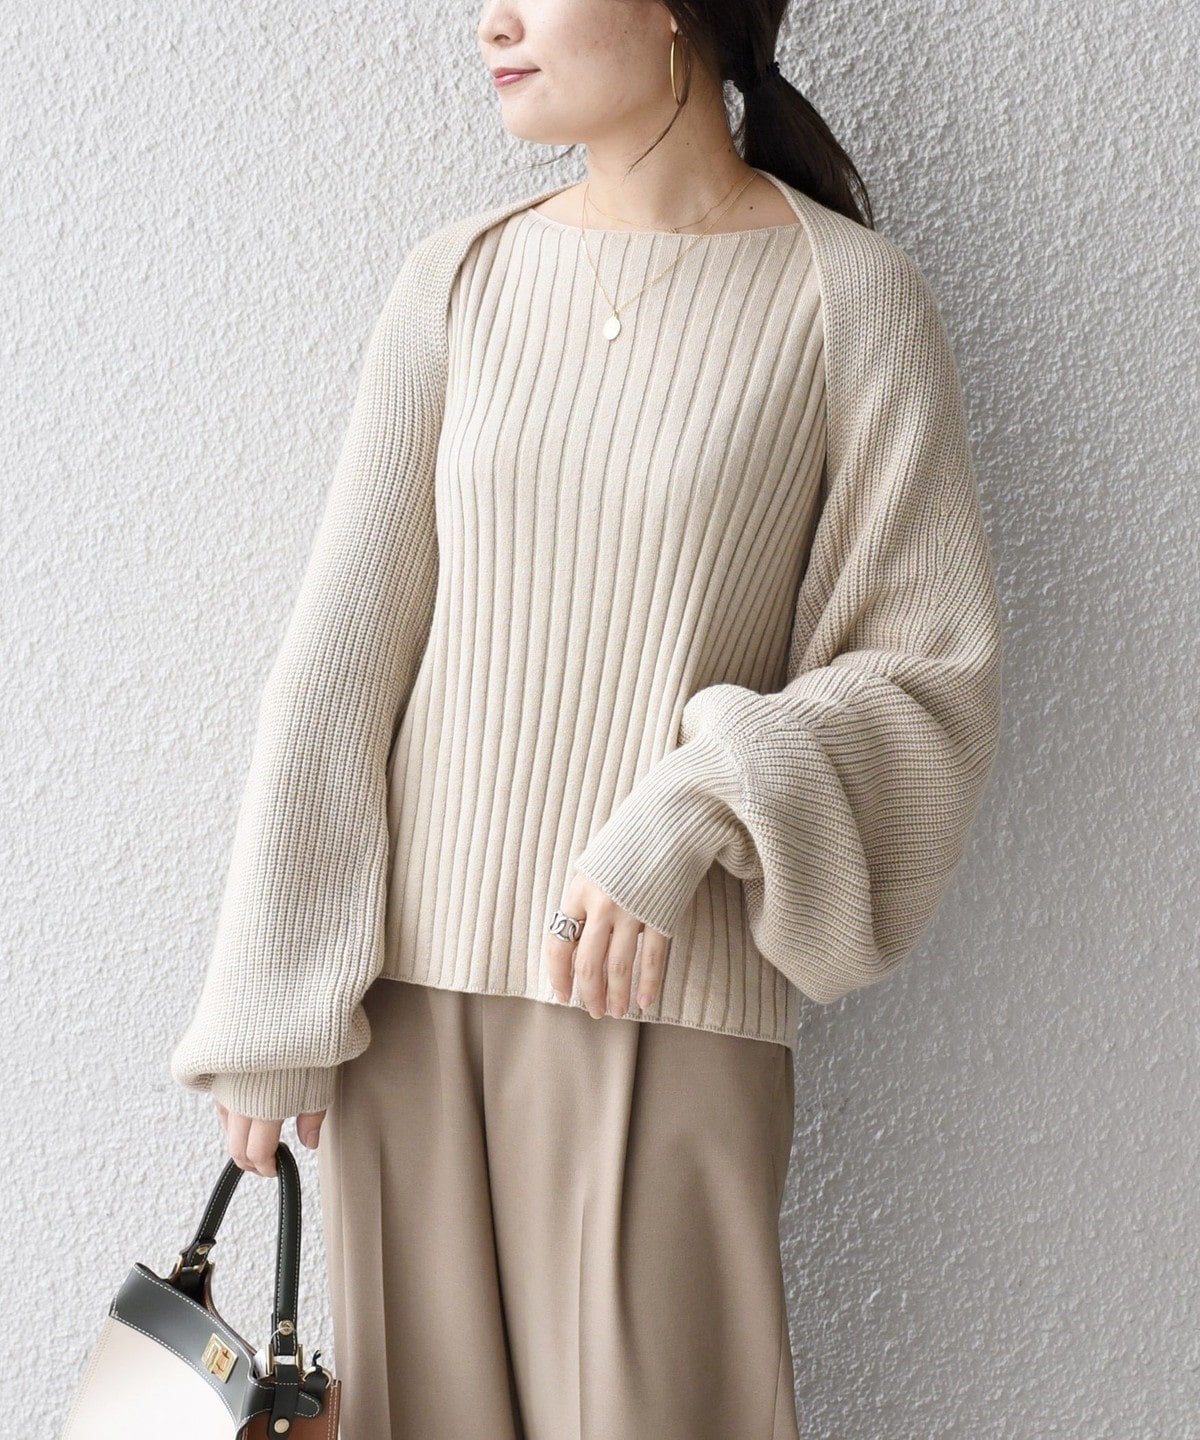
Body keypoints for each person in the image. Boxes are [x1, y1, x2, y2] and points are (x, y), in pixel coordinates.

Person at [168, 1, 1003, 1436]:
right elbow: (340, 661)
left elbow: (932, 678)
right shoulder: (460, 279)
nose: (490, 20)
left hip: (662, 1002)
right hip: (405, 1015)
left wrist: (687, 805)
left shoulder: (847, 298)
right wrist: (270, 1004)